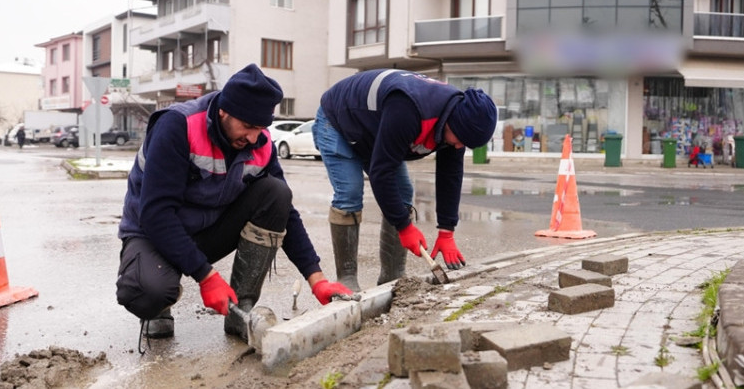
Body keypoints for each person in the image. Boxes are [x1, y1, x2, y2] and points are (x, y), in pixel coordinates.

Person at [116, 63, 352, 345]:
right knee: (147, 293)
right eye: (248, 126)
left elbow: (285, 212)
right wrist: (207, 277)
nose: (255, 137)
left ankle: (242, 310)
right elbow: (155, 214)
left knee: (276, 193)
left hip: (209, 230)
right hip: (152, 232)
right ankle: (159, 307)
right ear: (224, 111)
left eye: (261, 127)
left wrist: (317, 279)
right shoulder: (178, 126)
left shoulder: (260, 143)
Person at [313, 69, 498, 291]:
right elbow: (382, 173)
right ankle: (347, 277)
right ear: (453, 123)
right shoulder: (410, 109)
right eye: (461, 140)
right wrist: (404, 226)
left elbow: (450, 175)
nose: (460, 147)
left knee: (402, 194)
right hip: (338, 121)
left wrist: (447, 230)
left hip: (374, 129)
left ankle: (392, 277)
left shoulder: (457, 123)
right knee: (350, 193)